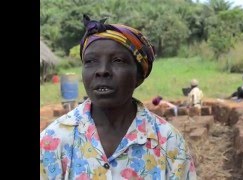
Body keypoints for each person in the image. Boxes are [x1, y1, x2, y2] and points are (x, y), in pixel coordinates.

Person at [40, 15, 196, 179]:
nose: (102, 71)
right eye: (91, 61)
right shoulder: (53, 140)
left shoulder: (169, 143)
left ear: (139, 75)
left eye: (118, 60)